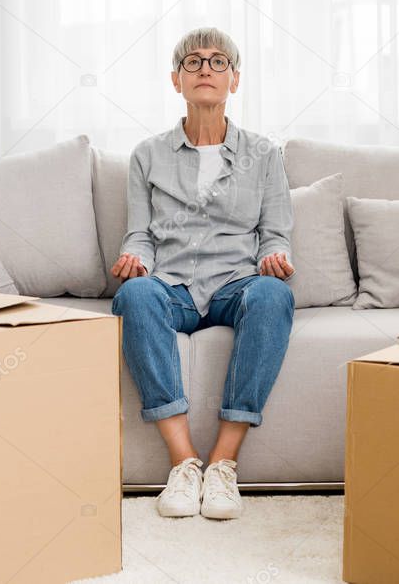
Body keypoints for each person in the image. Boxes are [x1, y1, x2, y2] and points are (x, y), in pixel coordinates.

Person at [110, 26, 295, 520]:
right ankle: (184, 463)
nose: (206, 70)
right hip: (172, 286)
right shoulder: (147, 155)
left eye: (218, 62)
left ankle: (222, 465)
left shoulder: (264, 154)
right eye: (193, 62)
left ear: (234, 80)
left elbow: (275, 233)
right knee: (135, 295)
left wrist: (274, 259)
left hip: (236, 282)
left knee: (275, 297)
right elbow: (139, 234)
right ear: (176, 80)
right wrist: (137, 262)